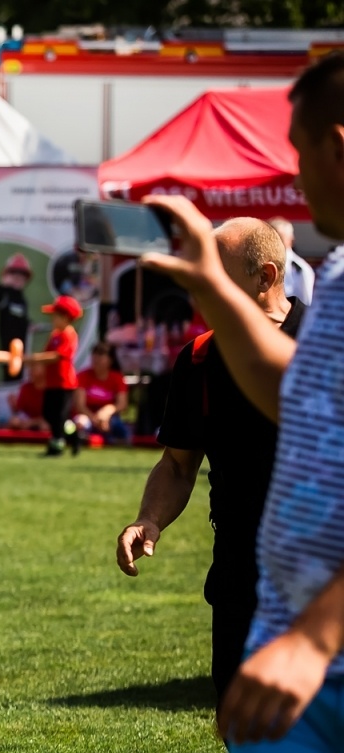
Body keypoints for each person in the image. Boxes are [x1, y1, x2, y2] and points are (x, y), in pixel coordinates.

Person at [136, 52, 344, 753]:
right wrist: (213, 293)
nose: (294, 175)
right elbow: (290, 392)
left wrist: (317, 631)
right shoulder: (339, 280)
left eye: (299, 150)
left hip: (316, 644)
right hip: (286, 654)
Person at [118, 217, 301, 701]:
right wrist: (149, 519)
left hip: (322, 577)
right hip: (239, 577)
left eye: (215, 275)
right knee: (243, 731)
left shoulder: (324, 347)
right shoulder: (199, 359)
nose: (200, 289)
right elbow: (178, 465)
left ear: (264, 277)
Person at [27, 294, 82, 456]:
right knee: (48, 414)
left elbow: (58, 355)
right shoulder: (55, 335)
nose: (52, 319)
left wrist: (35, 358)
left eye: (55, 316)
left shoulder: (69, 335)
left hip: (64, 383)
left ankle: (57, 445)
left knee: (58, 416)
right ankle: (73, 434)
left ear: (65, 317)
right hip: (51, 382)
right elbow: (47, 354)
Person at [74, 342, 129, 440]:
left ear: (110, 360)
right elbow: (80, 406)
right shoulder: (82, 376)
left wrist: (107, 411)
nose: (96, 360)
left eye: (101, 356)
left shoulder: (117, 378)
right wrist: (95, 419)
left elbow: (122, 404)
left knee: (121, 429)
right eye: (94, 356)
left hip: (109, 418)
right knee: (81, 424)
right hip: (87, 416)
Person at [0, 253, 33, 356]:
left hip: (22, 349)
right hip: (7, 350)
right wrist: (3, 285)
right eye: (14, 273)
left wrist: (29, 325)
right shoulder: (4, 294)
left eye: (22, 274)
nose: (18, 277)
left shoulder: (22, 299)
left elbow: (21, 318)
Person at [268, 215, 315, 305]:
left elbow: (306, 302)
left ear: (291, 240)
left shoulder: (300, 269)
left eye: (280, 237)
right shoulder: (258, 263)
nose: (275, 241)